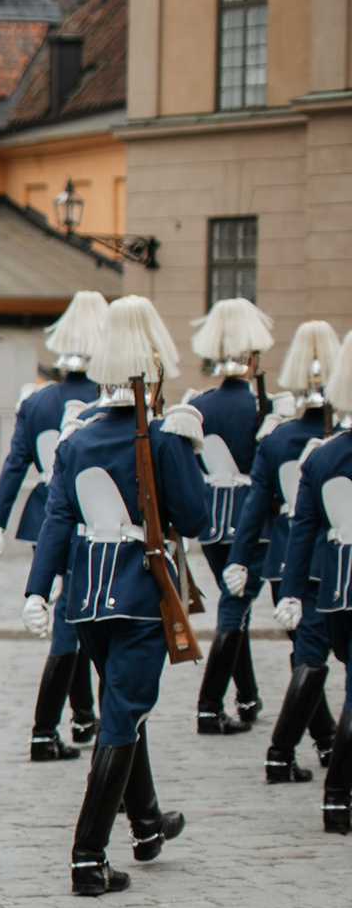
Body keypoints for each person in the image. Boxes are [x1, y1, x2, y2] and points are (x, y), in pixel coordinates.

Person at [20, 296, 211, 895]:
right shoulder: (162, 436)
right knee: (124, 712)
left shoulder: (74, 441)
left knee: (124, 703)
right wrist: (188, 453)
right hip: (138, 591)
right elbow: (197, 519)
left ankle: (147, 820)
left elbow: (56, 520)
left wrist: (38, 590)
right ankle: (88, 855)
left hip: (87, 595)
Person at [0, 292, 109, 761]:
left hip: (44, 515)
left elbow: (16, 462)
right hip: (90, 520)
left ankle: (81, 714)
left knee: (69, 612)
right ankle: (44, 728)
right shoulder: (103, 401)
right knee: (71, 619)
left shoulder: (36, 401)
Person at [229, 320, 342, 781]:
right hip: (334, 561)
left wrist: (239, 556)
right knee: (312, 663)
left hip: (287, 562)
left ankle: (307, 748)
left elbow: (256, 506)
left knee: (307, 659)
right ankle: (301, 749)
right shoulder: (335, 446)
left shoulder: (276, 439)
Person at [187, 298, 277, 734]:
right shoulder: (264, 409)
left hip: (210, 523)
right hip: (251, 522)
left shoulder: (199, 406)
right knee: (234, 607)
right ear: (252, 355)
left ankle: (247, 695)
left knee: (232, 603)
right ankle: (208, 705)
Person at [275, 345, 352, 831]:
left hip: (337, 590)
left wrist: (291, 591)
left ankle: (337, 799)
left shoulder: (322, 457)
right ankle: (338, 797)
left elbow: (302, 530)